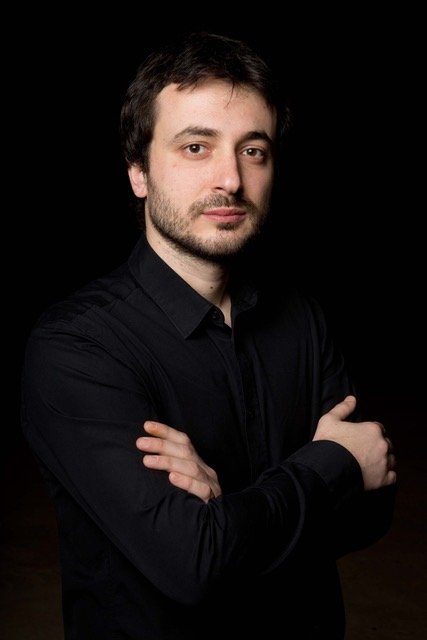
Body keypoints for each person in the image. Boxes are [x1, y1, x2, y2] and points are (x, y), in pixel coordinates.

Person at [21, 32, 397, 639]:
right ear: (139, 172)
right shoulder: (76, 347)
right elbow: (193, 562)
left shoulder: (302, 317)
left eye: (253, 150)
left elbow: (373, 508)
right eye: (196, 147)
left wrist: (228, 513)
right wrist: (332, 463)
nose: (231, 179)